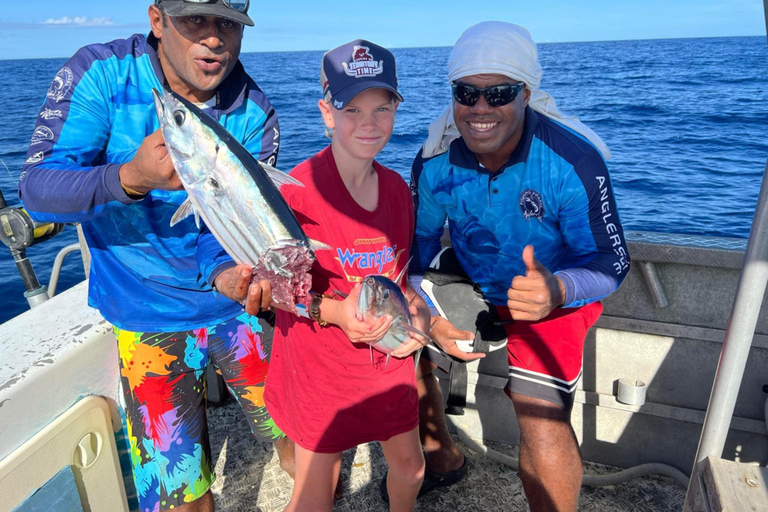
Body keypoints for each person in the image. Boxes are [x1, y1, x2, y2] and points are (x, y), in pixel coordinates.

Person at [18, 2, 294, 511]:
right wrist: (130, 178)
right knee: (180, 495)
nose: (214, 38)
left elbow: (228, 221)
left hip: (237, 306)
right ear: (157, 19)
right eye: (195, 20)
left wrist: (226, 273)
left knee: (295, 435)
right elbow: (36, 188)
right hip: (145, 313)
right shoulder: (101, 73)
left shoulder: (255, 111)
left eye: (228, 24)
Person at [198, 39, 431, 512]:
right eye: (352, 109)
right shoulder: (296, 192)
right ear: (326, 113)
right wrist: (338, 312)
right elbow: (277, 290)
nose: (369, 123)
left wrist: (420, 315)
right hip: (320, 370)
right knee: (314, 494)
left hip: (387, 366)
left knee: (411, 469)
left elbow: (400, 279)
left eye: (382, 108)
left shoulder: (397, 189)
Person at [407, 22, 630, 511]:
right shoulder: (434, 162)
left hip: (555, 289)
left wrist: (558, 289)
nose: (480, 108)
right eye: (466, 93)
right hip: (471, 277)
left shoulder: (572, 160)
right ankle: (441, 455)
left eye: (499, 94)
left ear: (526, 93)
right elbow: (419, 247)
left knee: (540, 414)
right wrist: (429, 317)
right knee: (398, 334)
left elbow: (611, 260)